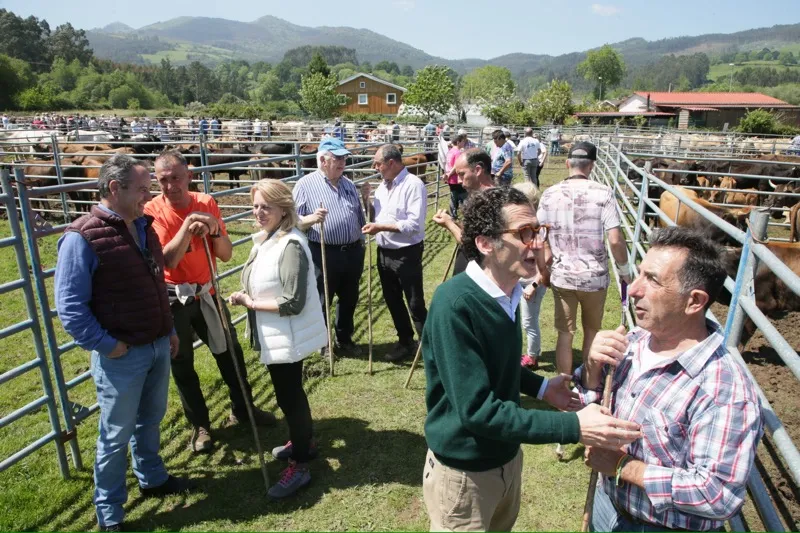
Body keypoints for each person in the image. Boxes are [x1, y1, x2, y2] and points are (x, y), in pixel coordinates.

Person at [421, 187, 642, 532]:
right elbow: (477, 410)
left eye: (538, 231)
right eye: (524, 233)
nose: (537, 244)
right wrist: (574, 427)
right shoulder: (456, 305)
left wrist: (540, 388)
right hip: (465, 474)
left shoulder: (506, 295)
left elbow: (497, 364)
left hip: (504, 459)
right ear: (485, 243)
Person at [580, 227, 763, 532]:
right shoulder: (634, 342)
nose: (634, 289)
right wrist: (591, 368)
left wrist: (622, 467)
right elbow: (586, 397)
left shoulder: (723, 390)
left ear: (694, 301)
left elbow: (718, 495)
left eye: (652, 280)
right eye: (639, 274)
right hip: (608, 506)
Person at [55, 154, 194, 532]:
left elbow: (153, 281)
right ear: (115, 189)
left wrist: (168, 328)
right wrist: (106, 345)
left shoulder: (143, 225)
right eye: (143, 189)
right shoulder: (81, 237)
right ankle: (110, 512)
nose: (149, 196)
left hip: (155, 343)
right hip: (122, 354)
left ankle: (151, 477)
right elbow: (69, 308)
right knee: (115, 434)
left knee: (149, 419)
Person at [145, 150, 276, 454]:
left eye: (175, 178)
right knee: (182, 363)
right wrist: (188, 225)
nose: (170, 186)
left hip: (207, 293)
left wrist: (214, 229)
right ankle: (200, 425)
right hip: (173, 297)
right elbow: (169, 259)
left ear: (188, 176)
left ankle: (243, 408)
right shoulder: (152, 210)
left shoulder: (206, 203)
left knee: (230, 352)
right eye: (163, 180)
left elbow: (226, 253)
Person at [227, 180, 326, 499]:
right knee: (289, 394)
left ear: (284, 208)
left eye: (266, 206)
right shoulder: (270, 238)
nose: (258, 212)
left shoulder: (291, 244)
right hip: (276, 335)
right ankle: (304, 443)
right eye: (255, 205)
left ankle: (299, 465)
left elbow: (292, 301)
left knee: (290, 398)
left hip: (287, 335)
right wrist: (248, 293)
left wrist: (250, 304)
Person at [537, 142, 632, 376]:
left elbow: (540, 237)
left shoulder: (549, 194)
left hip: (563, 276)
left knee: (564, 334)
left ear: (568, 163)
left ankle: (563, 384)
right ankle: (589, 384)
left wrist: (544, 269)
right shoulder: (603, 193)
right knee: (592, 332)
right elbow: (615, 240)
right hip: (594, 277)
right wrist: (624, 270)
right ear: (591, 166)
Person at [292, 138, 366, 357]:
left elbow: (359, 216)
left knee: (350, 297)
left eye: (344, 158)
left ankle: (344, 338)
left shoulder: (348, 184)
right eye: (338, 158)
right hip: (323, 252)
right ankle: (324, 343)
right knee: (323, 298)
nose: (343, 162)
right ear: (323, 160)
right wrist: (312, 219)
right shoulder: (305, 185)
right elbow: (293, 220)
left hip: (352, 251)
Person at [361, 144, 428, 362]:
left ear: (391, 163)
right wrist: (366, 201)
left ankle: (430, 347)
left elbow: (413, 224)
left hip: (406, 252)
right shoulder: (381, 187)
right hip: (384, 252)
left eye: (378, 163)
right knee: (392, 299)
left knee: (414, 301)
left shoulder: (413, 185)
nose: (375, 167)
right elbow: (376, 217)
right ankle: (406, 341)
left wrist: (379, 228)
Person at [434, 148, 495, 276]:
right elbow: (476, 233)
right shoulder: (487, 196)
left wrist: (448, 223)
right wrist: (457, 223)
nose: (460, 181)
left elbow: (470, 243)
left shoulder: (486, 201)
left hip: (477, 271)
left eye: (462, 174)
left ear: (478, 170)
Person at [512, 181, 548, 370]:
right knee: (520, 319)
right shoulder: (523, 225)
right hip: (520, 281)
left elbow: (547, 260)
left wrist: (533, 285)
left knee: (529, 321)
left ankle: (532, 357)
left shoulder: (539, 227)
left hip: (532, 282)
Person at [444, 133, 469, 219]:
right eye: (462, 142)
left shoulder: (450, 152)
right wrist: (450, 174)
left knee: (453, 197)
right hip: (457, 178)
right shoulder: (458, 152)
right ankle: (467, 215)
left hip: (450, 179)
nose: (464, 143)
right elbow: (456, 166)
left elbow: (447, 164)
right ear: (458, 142)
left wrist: (447, 175)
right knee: (465, 197)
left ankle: (453, 216)